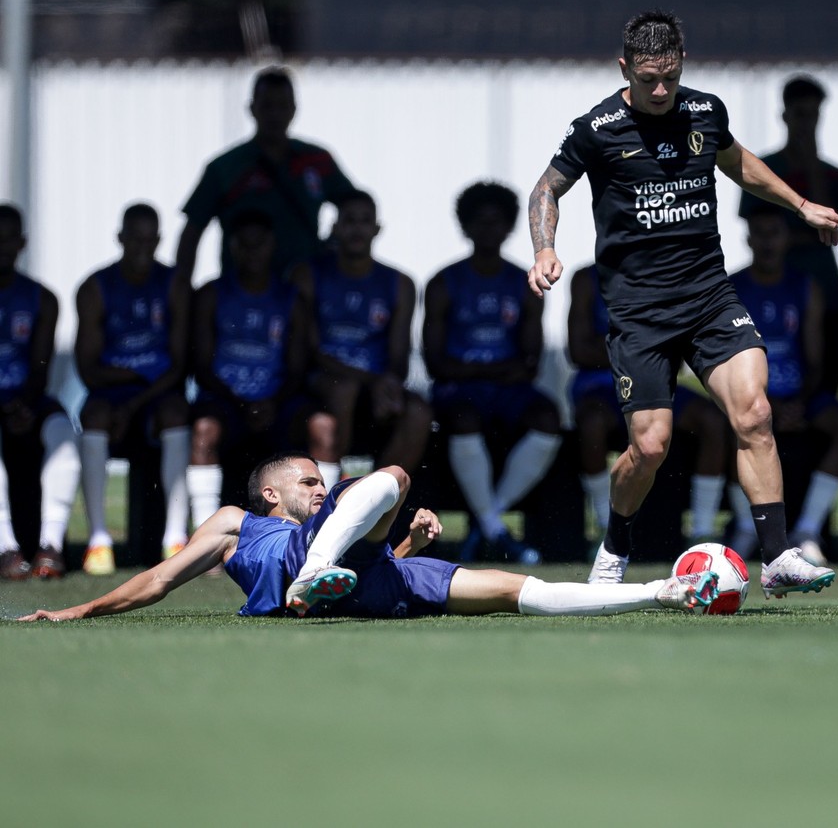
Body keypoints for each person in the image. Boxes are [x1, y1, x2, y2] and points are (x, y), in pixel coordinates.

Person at [527, 9, 838, 597]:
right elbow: (546, 188)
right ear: (624, 68)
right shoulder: (595, 128)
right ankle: (615, 546)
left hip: (708, 296)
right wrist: (545, 248)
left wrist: (800, 206)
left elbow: (737, 162)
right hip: (639, 313)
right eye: (647, 78)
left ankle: (776, 556)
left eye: (669, 77)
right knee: (649, 446)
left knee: (753, 412)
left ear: (682, 66)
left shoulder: (705, 111)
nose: (659, 90)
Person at [17, 452, 720, 622]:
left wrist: (404, 545)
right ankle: (310, 577)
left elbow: (363, 562)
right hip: (307, 573)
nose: (320, 488)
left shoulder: (330, 520)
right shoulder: (241, 523)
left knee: (515, 591)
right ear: (270, 492)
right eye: (306, 482)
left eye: (323, 482)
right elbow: (160, 580)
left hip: (366, 580)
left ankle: (663, 589)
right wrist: (81, 609)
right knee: (388, 473)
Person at [424, 182, 563, 565]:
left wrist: (483, 370)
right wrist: (484, 371)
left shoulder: (525, 281)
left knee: (549, 417)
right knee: (464, 419)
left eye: (496, 222)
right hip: (459, 391)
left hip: (506, 389)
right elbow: (435, 361)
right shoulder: (443, 282)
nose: (488, 230)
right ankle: (497, 530)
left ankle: (489, 522)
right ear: (465, 227)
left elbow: (530, 361)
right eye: (479, 222)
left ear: (509, 227)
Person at [729, 206, 838, 564]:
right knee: (726, 422)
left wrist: (799, 403)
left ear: (787, 238)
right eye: (761, 233)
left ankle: (808, 529)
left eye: (775, 232)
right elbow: (723, 361)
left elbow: (815, 361)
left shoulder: (805, 287)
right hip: (750, 399)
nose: (768, 242)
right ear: (748, 239)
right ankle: (744, 529)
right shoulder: (731, 289)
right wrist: (765, 402)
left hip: (800, 400)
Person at [567, 262, 729, 543]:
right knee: (591, 423)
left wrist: (625, 351)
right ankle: (606, 531)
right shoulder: (585, 279)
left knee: (714, 419)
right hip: (601, 386)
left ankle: (702, 534)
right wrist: (643, 352)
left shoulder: (666, 273)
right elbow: (579, 350)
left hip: (654, 383)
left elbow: (676, 355)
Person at [75, 203, 191, 575]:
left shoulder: (174, 284)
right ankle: (98, 542)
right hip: (114, 392)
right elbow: (88, 368)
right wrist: (129, 383)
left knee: (176, 414)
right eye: (134, 237)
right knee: (91, 415)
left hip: (156, 392)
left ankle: (175, 539)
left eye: (149, 238)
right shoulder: (96, 287)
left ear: (158, 239)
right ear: (120, 238)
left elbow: (179, 364)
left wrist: (137, 398)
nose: (142, 246)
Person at [292, 190, 432, 487]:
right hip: (321, 384)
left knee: (419, 412)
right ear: (335, 228)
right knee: (344, 389)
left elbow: (398, 357)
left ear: (377, 229)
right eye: (349, 221)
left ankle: (371, 503)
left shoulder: (400, 283)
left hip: (373, 389)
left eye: (365, 221)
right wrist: (369, 381)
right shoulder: (308, 275)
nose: (357, 229)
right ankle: (326, 507)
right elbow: (308, 350)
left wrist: (389, 384)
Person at [186, 209, 312, 534]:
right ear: (233, 247)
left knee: (321, 427)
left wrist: (272, 402)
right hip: (225, 401)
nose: (252, 252)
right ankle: (205, 537)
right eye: (245, 244)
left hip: (278, 402)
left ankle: (315, 535)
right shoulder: (211, 295)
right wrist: (241, 403)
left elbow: (298, 368)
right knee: (204, 431)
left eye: (260, 244)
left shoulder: (290, 298)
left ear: (272, 246)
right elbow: (200, 365)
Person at [175, 66, 356, 280]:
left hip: (301, 297)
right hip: (239, 297)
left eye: (282, 106)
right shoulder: (224, 168)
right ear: (252, 109)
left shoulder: (317, 161)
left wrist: (334, 243)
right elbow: (192, 232)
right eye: (267, 106)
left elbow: (356, 207)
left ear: (294, 109)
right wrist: (182, 292)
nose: (275, 114)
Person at [738, 75, 838, 394]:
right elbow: (756, 228)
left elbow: (833, 227)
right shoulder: (763, 171)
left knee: (826, 387)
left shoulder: (836, 176)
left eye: (812, 115)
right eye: (799, 114)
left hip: (826, 289)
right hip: (773, 295)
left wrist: (811, 166)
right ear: (785, 115)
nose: (806, 123)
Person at [0, 204, 80, 580]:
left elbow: (41, 366)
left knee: (64, 433)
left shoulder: (42, 298)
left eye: (8, 239)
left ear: (22, 243)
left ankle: (51, 548)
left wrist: (24, 406)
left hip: (27, 400)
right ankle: (7, 549)